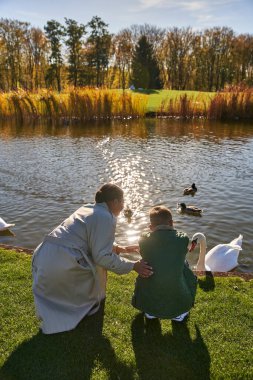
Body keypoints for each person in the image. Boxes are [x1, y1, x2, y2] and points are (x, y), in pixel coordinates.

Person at [32, 183, 152, 334]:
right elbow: (102, 257)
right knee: (98, 264)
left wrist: (118, 248)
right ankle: (93, 301)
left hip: (44, 256)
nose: (123, 206)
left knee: (94, 264)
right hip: (62, 262)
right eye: (122, 201)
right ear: (114, 201)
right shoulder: (105, 216)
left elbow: (90, 240)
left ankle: (79, 304)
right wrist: (133, 266)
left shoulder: (89, 208)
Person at [132, 205, 197, 321]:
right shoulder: (183, 239)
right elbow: (182, 239)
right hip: (176, 290)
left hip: (150, 289)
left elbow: (144, 246)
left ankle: (150, 312)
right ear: (172, 223)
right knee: (184, 264)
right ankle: (178, 314)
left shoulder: (143, 239)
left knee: (148, 266)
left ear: (151, 226)